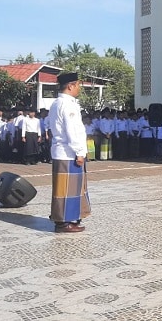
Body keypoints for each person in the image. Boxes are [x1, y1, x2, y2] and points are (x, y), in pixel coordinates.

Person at [48, 72, 90, 233]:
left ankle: (68, 218)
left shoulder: (57, 103)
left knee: (71, 189)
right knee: (67, 190)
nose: (79, 88)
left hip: (64, 151)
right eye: (78, 85)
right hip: (68, 152)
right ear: (70, 86)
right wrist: (79, 151)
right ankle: (63, 222)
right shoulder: (67, 104)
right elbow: (72, 130)